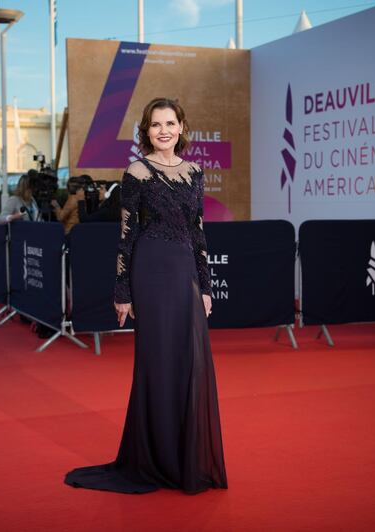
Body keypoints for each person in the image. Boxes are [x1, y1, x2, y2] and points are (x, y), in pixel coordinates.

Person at [64, 97, 228, 494]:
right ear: (146, 131)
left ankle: (181, 458)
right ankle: (153, 459)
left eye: (170, 123)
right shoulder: (136, 172)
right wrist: (122, 291)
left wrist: (205, 285)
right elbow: (126, 234)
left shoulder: (194, 172)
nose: (164, 130)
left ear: (182, 127)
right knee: (156, 363)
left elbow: (198, 231)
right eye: (156, 125)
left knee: (188, 363)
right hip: (150, 271)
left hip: (185, 270)